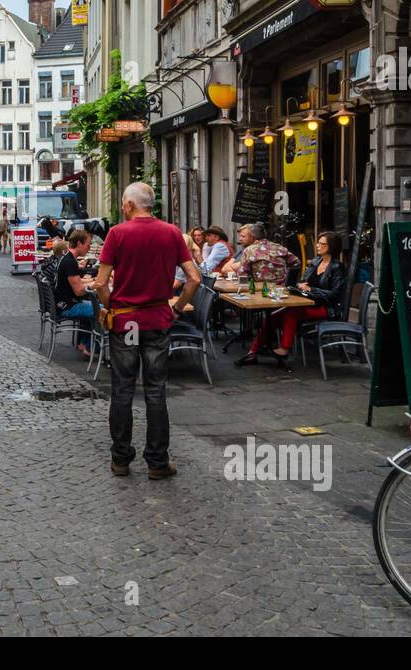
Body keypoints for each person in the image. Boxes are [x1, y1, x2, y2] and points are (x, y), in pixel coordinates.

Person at [94, 182, 202, 480]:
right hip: (156, 320)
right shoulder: (171, 232)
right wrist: (177, 307)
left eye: (122, 203)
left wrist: (110, 306)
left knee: (123, 389)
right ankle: (156, 461)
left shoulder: (117, 233)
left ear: (129, 204)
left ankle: (120, 459)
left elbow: (101, 283)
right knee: (155, 391)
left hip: (126, 322)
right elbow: (194, 278)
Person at [237, 231, 344, 369]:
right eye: (318, 242)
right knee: (273, 316)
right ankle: (253, 351)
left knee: (290, 312)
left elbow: (335, 294)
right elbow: (304, 280)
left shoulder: (337, 267)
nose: (317, 245)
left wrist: (312, 290)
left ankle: (284, 349)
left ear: (332, 247)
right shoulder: (316, 262)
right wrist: (301, 284)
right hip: (307, 302)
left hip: (325, 308)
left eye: (322, 244)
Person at [54, 229, 98, 358]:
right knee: (101, 310)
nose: (89, 248)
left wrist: (93, 281)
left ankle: (83, 344)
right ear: (79, 243)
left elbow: (77, 283)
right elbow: (79, 291)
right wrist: (97, 284)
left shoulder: (67, 257)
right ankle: (92, 348)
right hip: (67, 306)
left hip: (62, 303)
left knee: (90, 305)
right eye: (88, 245)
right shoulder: (70, 262)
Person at [220, 223, 299, 284]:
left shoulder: (249, 250)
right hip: (281, 290)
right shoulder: (280, 248)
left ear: (252, 237)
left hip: (260, 290)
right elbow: (297, 263)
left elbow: (242, 276)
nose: (240, 239)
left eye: (243, 236)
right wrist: (287, 279)